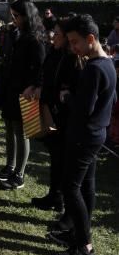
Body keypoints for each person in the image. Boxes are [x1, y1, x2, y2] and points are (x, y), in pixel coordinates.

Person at [53, 14, 116, 255]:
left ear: (91, 39)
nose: (73, 48)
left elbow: (83, 108)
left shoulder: (93, 69)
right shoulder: (107, 64)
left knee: (70, 187)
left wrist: (67, 96)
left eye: (75, 42)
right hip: (95, 135)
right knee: (86, 186)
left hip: (84, 135)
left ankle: (85, 246)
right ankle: (77, 233)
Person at [0, 0, 45, 190]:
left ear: (26, 16)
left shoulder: (36, 39)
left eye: (16, 16)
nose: (13, 19)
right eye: (12, 15)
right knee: (9, 128)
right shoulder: (17, 34)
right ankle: (9, 166)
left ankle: (19, 174)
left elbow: (41, 67)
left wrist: (34, 86)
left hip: (26, 92)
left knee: (22, 132)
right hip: (11, 88)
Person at [31, 19, 82, 212]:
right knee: (55, 157)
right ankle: (53, 195)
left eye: (58, 34)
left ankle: (60, 201)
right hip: (51, 112)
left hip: (64, 118)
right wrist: (37, 86)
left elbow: (65, 91)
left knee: (62, 161)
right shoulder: (54, 52)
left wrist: (45, 93)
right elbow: (45, 74)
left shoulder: (73, 60)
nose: (53, 37)